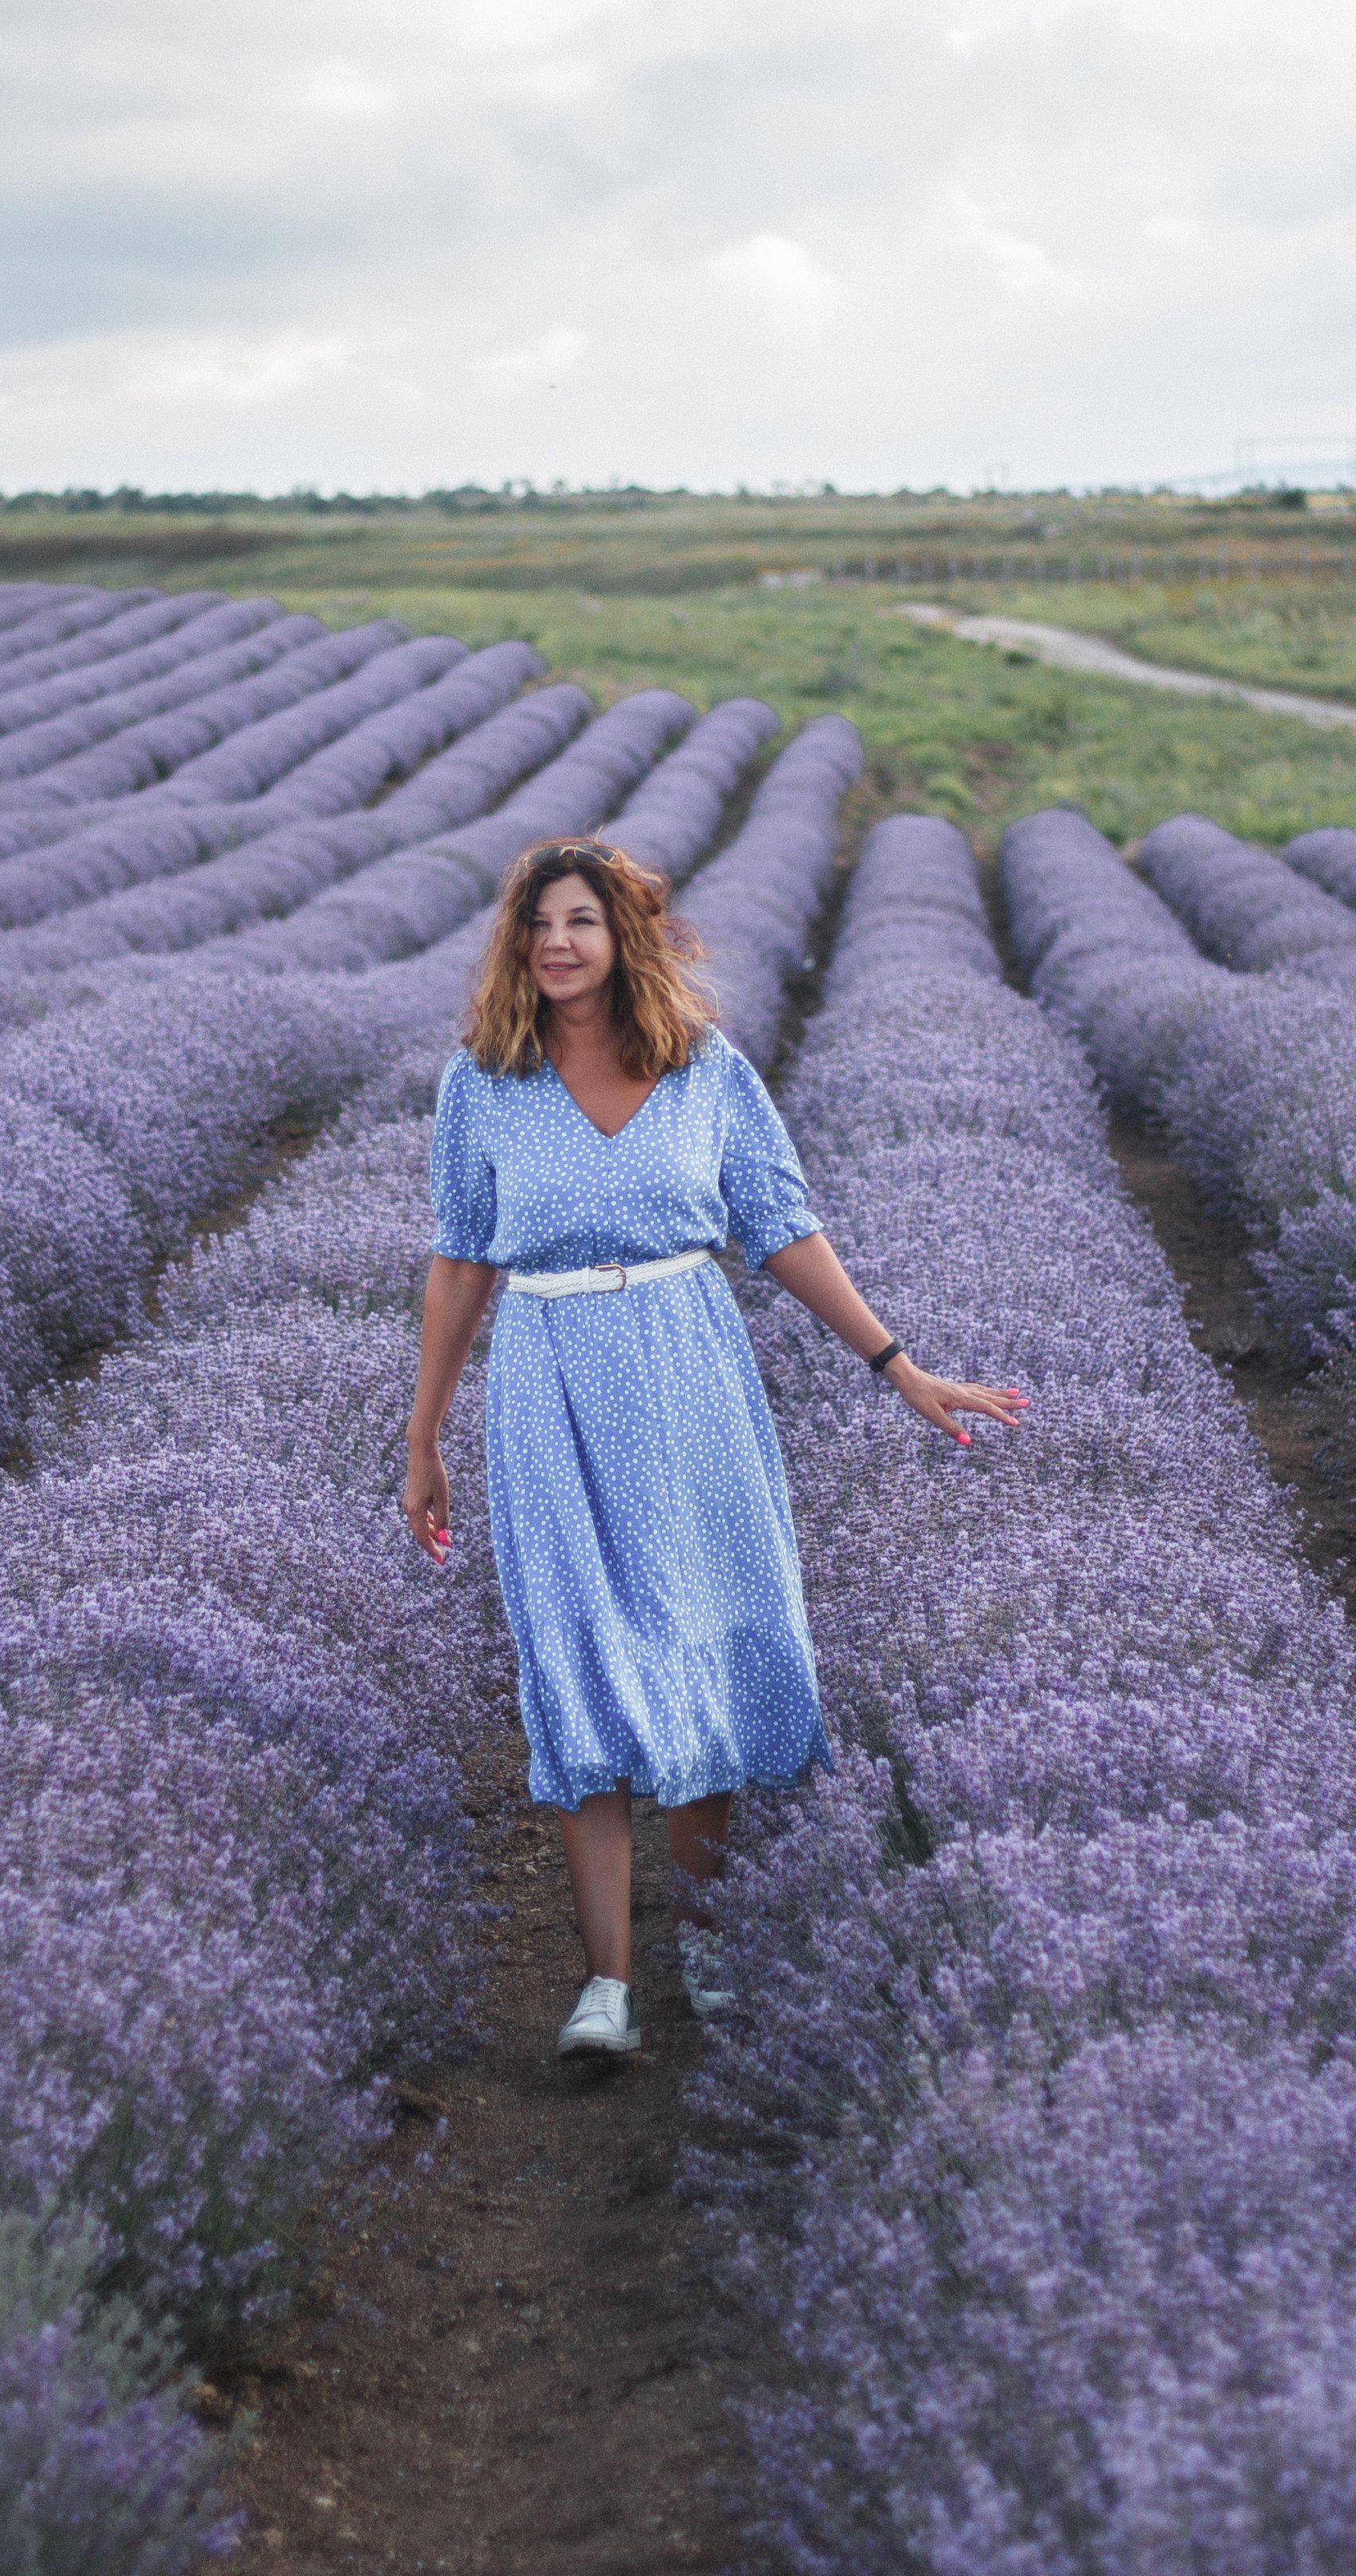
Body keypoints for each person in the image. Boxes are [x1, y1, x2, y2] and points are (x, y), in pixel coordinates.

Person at [402, 835, 1027, 2061]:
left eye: (581, 921)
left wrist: (899, 1366)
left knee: (707, 1637)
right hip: (547, 1383)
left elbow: (781, 1229)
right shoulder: (483, 1080)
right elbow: (461, 1261)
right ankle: (606, 1987)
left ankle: (707, 1941)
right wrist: (423, 1438)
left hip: (688, 1376)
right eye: (539, 925)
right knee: (576, 1653)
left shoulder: (704, 1071)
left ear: (623, 936)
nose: (558, 944)